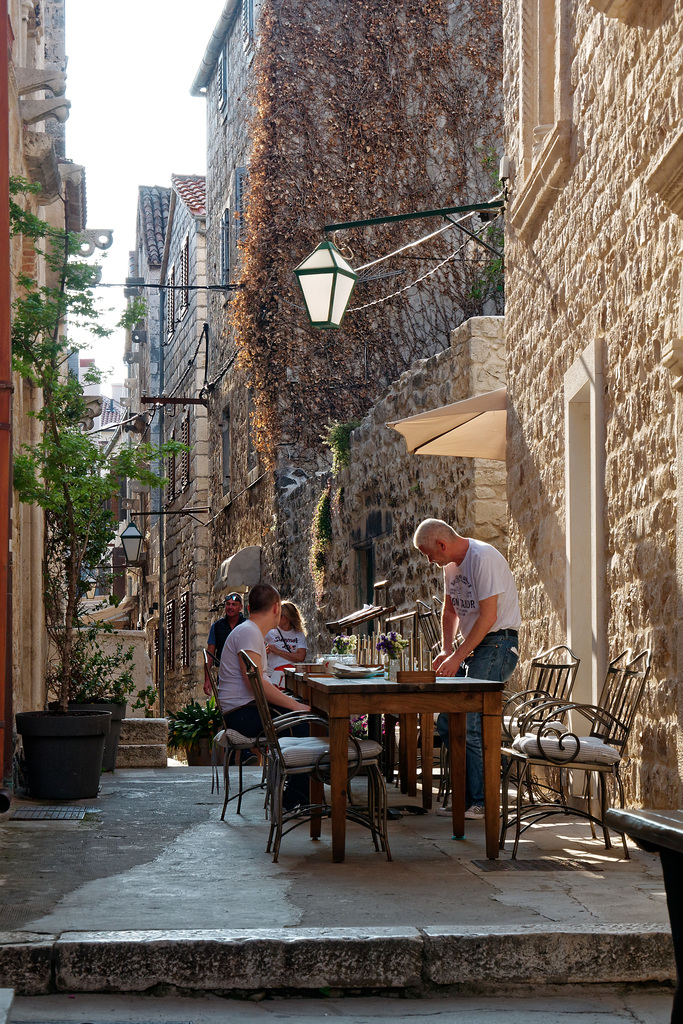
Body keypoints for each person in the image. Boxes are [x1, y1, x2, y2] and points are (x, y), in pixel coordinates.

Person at [413, 518, 521, 820]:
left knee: (472, 720)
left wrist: (458, 657)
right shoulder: (450, 567)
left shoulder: (482, 558)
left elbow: (488, 618)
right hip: (475, 648)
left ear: (441, 544)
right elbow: (449, 611)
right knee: (448, 722)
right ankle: (466, 797)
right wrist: (447, 649)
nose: (429, 560)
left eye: (428, 553)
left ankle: (483, 802)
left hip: (498, 643)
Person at [218, 582, 311, 810]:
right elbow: (257, 685)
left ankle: (300, 793)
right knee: (307, 722)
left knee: (304, 719)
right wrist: (297, 707)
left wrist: (294, 705)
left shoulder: (250, 631)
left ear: (248, 608)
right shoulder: (249, 632)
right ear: (277, 608)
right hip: (242, 714)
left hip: (244, 710)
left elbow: (259, 683)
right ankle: (296, 798)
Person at [265, 601, 308, 690]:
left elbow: (301, 657)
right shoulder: (270, 631)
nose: (277, 618)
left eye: (280, 615)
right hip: (274, 675)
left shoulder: (298, 634)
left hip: (291, 675)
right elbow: (257, 646)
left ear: (288, 617)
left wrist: (278, 651)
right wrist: (264, 650)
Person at [205, 593, 245, 687]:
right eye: (228, 604)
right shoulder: (216, 627)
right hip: (225, 676)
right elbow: (210, 655)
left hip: (244, 674)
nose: (230, 607)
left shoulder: (247, 625)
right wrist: (207, 679)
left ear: (240, 607)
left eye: (234, 604)